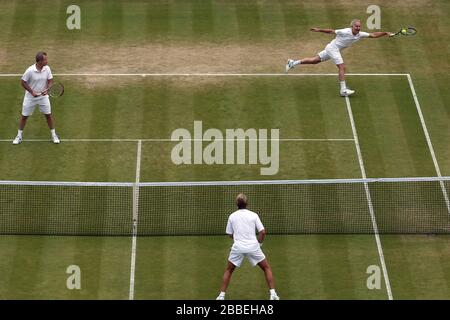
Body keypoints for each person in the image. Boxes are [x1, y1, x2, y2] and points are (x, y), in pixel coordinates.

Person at [285, 19, 393, 97]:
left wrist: (385, 33)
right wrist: (319, 30)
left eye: (359, 26)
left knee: (315, 61)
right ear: (352, 27)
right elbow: (331, 31)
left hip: (331, 48)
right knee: (342, 67)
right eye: (356, 26)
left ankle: (292, 63)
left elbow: (373, 35)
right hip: (333, 48)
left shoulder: (360, 34)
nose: (358, 28)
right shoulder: (345, 31)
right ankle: (343, 90)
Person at [216, 193, 279, 300]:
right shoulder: (254, 215)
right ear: (247, 204)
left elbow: (230, 234)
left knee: (228, 270)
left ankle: (221, 296)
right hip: (253, 247)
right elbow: (262, 232)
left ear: (237, 204)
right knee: (266, 268)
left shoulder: (232, 216)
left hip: (238, 247)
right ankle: (273, 294)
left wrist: (237, 238)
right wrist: (259, 244)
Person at [13, 52, 60, 145]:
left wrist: (47, 89)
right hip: (30, 97)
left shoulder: (47, 68)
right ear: (39, 61)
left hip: (43, 97)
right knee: (24, 117)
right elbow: (23, 82)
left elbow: (50, 80)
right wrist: (32, 92)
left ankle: (54, 135)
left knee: (48, 115)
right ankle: (19, 136)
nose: (47, 61)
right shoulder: (30, 70)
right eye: (45, 59)